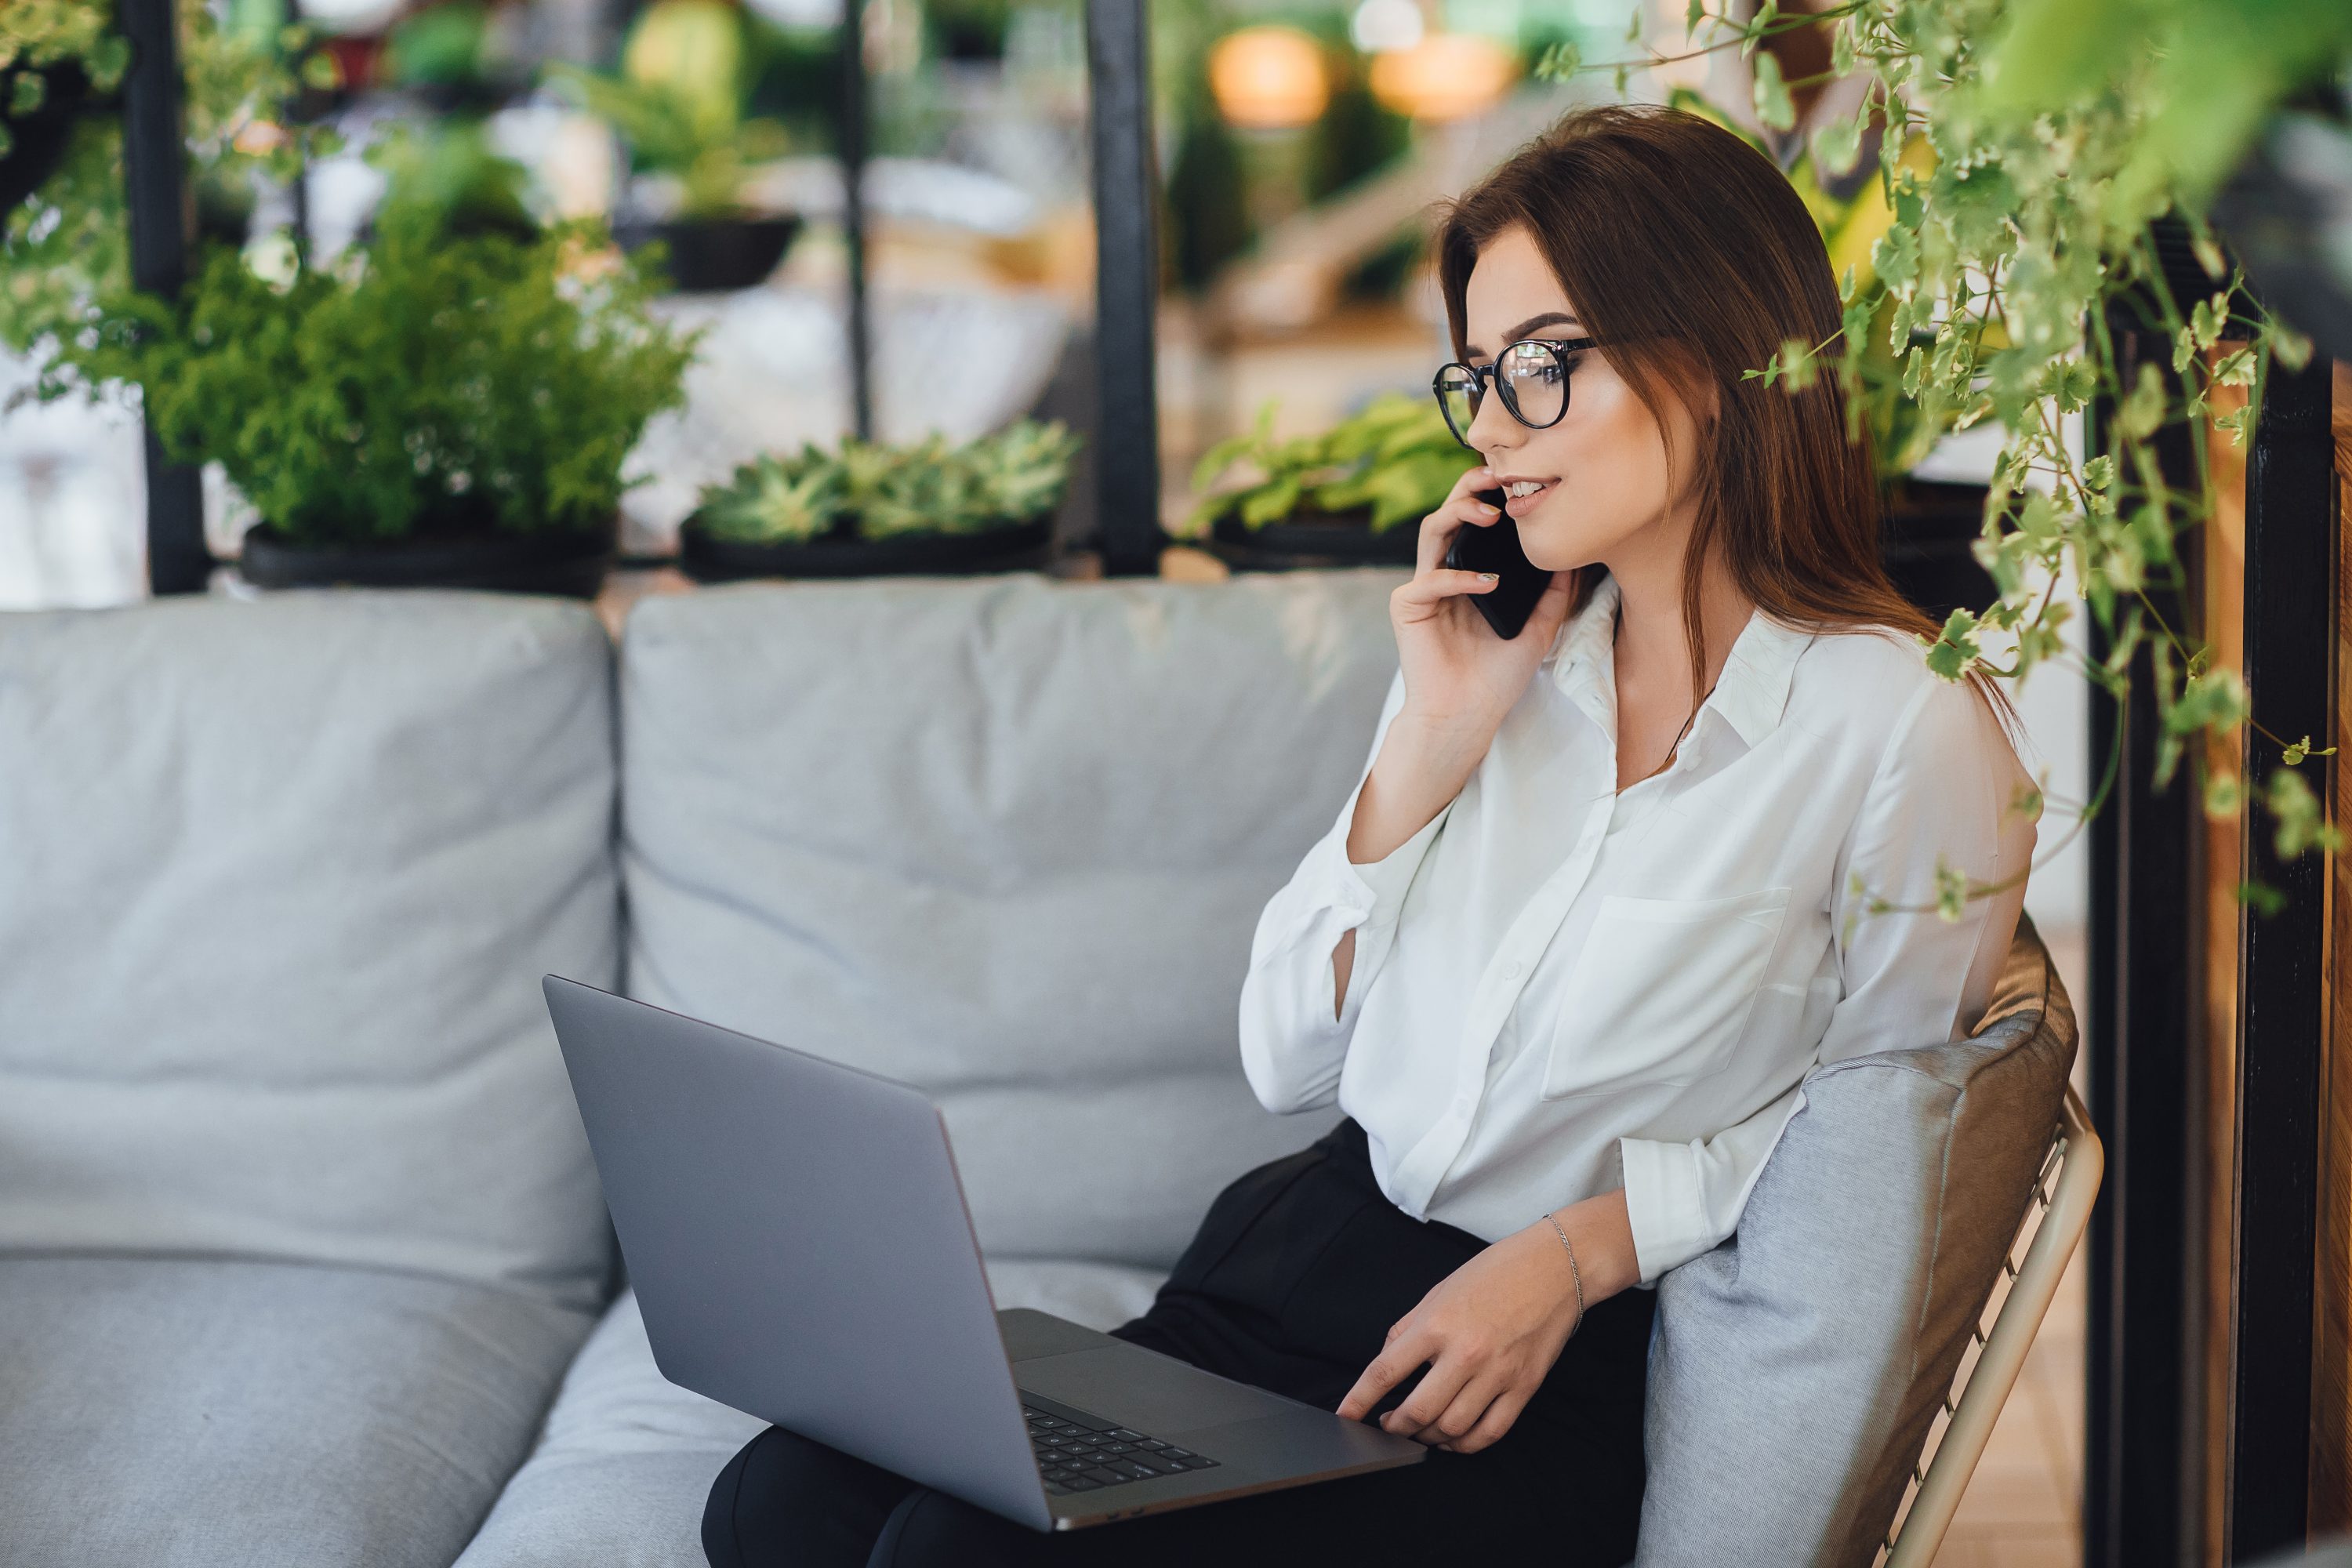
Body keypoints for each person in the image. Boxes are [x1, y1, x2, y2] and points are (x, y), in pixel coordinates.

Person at [701, 103, 2037, 1568]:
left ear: (1719, 357)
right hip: (1299, 1257)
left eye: (1543, 367)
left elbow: (1882, 1144)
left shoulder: (1898, 724)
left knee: (950, 1554)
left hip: (1528, 1368)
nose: (1493, 432)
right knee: (780, 1499)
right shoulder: (1514, 657)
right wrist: (1437, 734)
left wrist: (1579, 1254)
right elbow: (1285, 1058)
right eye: (1477, 378)